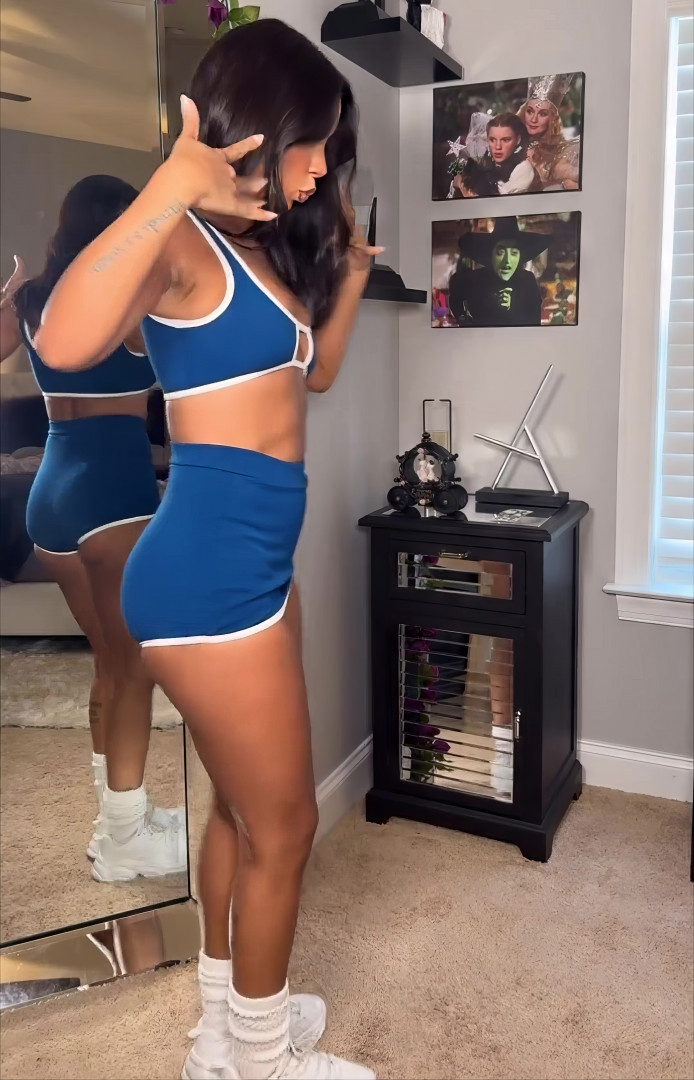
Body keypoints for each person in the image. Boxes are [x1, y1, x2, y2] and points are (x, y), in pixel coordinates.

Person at [36, 19, 381, 1080]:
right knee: (287, 828)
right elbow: (62, 342)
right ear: (264, 123)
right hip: (206, 573)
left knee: (241, 809)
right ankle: (261, 1064)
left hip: (254, 565)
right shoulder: (182, 238)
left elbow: (313, 376)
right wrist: (168, 185)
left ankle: (224, 1032)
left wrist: (352, 273)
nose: (321, 167)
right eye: (315, 141)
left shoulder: (261, 253)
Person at [0, 176, 185, 883]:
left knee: (107, 661)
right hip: (113, 493)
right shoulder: (134, 300)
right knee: (131, 667)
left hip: (50, 494)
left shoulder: (37, 299)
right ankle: (125, 836)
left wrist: (9, 298)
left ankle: (117, 819)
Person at [448, 217, 550, 327]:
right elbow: (455, 290)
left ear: (520, 257)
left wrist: (512, 309)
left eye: (514, 253)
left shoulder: (528, 281)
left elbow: (534, 323)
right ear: (491, 255)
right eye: (500, 252)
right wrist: (463, 319)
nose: (507, 261)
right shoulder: (477, 278)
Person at [517, 74, 581, 190]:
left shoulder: (561, 154)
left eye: (542, 114)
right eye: (530, 111)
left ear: (552, 119)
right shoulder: (507, 141)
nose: (533, 119)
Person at [454, 112, 534, 198]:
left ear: (518, 140)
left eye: (505, 140)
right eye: (492, 140)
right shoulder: (482, 163)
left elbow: (497, 202)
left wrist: (466, 189)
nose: (498, 146)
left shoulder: (523, 168)